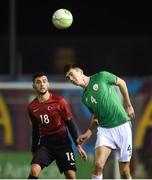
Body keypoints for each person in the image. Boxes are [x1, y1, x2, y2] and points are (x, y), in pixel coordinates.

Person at [64, 64, 135, 179]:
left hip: (122, 126)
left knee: (124, 171)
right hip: (105, 131)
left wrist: (128, 105)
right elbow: (96, 115)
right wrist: (88, 133)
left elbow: (122, 83)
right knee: (98, 165)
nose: (71, 79)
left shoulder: (101, 76)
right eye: (68, 78)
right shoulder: (84, 97)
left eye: (71, 74)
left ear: (80, 71)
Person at [27, 72, 87, 179]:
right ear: (34, 86)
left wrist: (77, 144)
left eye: (44, 81)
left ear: (48, 84)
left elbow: (70, 123)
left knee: (71, 177)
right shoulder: (32, 107)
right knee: (34, 169)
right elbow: (35, 129)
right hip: (45, 145)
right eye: (38, 82)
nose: (42, 84)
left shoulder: (60, 102)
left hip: (63, 144)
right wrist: (34, 150)